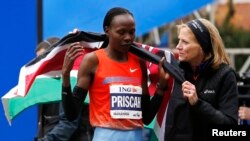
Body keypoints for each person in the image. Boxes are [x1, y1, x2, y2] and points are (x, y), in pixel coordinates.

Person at [61, 7, 169, 141]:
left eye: (132, 32)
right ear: (107, 31)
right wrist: (65, 76)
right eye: (121, 32)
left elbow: (146, 117)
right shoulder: (93, 60)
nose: (128, 37)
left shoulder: (139, 62)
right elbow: (72, 114)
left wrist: (161, 88)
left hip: (136, 136)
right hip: (105, 136)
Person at [163, 18, 238, 141]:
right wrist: (161, 86)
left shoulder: (225, 75)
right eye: (179, 40)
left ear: (202, 46)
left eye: (185, 42)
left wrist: (198, 103)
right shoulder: (175, 72)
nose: (178, 46)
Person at [35, 37, 94, 141]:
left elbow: (68, 123)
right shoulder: (48, 85)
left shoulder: (71, 82)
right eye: (38, 59)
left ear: (57, 57)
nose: (40, 64)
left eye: (44, 59)